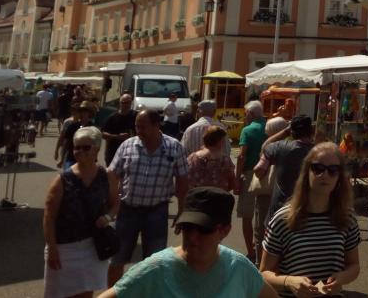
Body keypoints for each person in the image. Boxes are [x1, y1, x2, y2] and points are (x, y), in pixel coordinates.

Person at [98, 187, 279, 298]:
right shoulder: (156, 269)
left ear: (225, 231)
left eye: (204, 230)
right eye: (187, 227)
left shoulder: (239, 268)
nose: (192, 237)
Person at [260, 142, 361, 298]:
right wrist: (289, 281)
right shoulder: (283, 218)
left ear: (340, 177)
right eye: (318, 169)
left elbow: (354, 265)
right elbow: (264, 274)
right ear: (307, 172)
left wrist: (342, 278)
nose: (324, 175)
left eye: (333, 170)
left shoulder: (347, 218)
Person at [107, 109, 190, 286]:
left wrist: (182, 210)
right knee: (116, 258)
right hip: (127, 210)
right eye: (137, 126)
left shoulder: (174, 147)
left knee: (154, 262)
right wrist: (114, 203)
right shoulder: (128, 145)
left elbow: (183, 180)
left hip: (157, 212)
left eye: (143, 127)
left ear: (156, 125)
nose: (139, 131)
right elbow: (112, 174)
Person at [43, 127, 120, 298]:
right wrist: (52, 248)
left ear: (97, 149)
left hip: (93, 246)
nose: (80, 151)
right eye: (76, 147)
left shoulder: (107, 176)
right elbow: (49, 217)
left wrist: (107, 217)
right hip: (64, 248)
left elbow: (115, 204)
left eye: (86, 147)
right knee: (57, 293)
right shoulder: (62, 179)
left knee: (86, 292)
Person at [256, 116, 315, 221]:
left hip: (279, 210)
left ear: (292, 132)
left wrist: (285, 132)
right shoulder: (319, 151)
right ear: (311, 131)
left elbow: (259, 167)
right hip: (308, 210)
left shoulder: (279, 147)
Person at [237, 100, 270, 260]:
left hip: (251, 173)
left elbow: (242, 155)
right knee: (265, 214)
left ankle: (251, 252)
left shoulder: (247, 130)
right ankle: (264, 251)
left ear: (250, 113)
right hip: (268, 173)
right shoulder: (270, 128)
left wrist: (237, 178)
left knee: (247, 214)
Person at [187, 126, 237, 192]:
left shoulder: (192, 158)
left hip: (197, 198)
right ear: (220, 142)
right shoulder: (225, 160)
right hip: (218, 198)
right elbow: (232, 184)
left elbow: (186, 180)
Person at [55, 101, 97, 170]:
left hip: (88, 159)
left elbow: (96, 146)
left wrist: (94, 159)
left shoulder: (93, 128)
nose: (82, 113)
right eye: (80, 111)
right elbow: (66, 143)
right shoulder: (72, 126)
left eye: (84, 111)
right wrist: (62, 159)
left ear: (89, 113)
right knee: (68, 175)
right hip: (72, 158)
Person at [101, 94, 136, 166]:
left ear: (131, 103)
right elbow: (103, 134)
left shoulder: (136, 116)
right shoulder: (112, 118)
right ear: (120, 103)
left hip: (132, 151)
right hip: (114, 152)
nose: (126, 105)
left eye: (128, 102)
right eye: (123, 102)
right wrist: (117, 137)